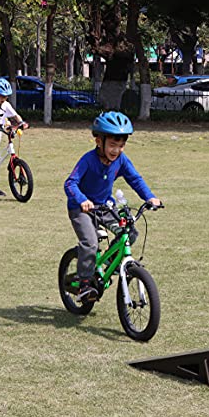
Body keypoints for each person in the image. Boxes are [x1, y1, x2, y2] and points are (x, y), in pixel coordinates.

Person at [64, 111, 161, 303]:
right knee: (90, 243)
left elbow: (135, 179)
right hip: (81, 209)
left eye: (121, 145)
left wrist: (150, 197)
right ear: (99, 141)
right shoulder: (88, 160)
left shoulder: (121, 160)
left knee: (130, 232)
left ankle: (110, 261)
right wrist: (82, 200)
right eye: (112, 145)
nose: (116, 150)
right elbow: (70, 183)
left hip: (105, 207)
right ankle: (84, 283)